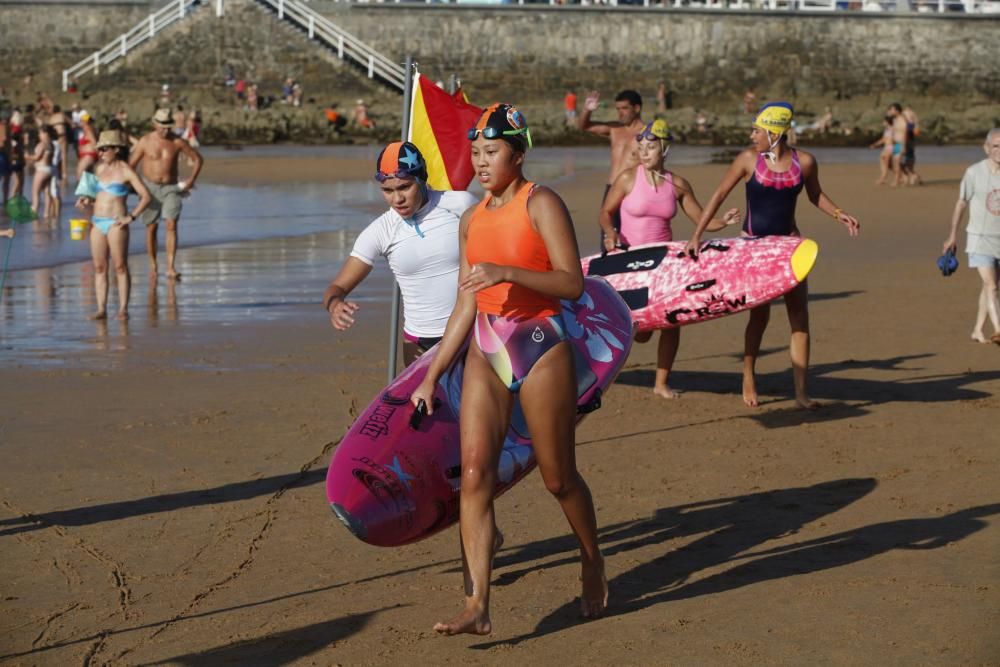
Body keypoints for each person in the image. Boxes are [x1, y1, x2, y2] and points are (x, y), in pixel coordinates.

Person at [411, 103, 608, 636]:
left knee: (557, 478)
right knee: (473, 477)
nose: (480, 161)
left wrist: (504, 270)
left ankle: (592, 559)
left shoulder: (540, 202)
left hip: (540, 345)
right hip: (484, 350)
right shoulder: (471, 218)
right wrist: (431, 375)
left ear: (517, 153)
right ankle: (478, 603)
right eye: (475, 152)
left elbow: (572, 283)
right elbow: (464, 304)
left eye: (491, 151)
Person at [683, 102, 860, 410]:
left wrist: (839, 214)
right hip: (755, 248)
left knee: (800, 318)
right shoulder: (748, 160)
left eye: (757, 130)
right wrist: (697, 235)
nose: (752, 135)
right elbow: (718, 195)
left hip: (788, 246)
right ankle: (748, 375)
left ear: (774, 134)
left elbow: (815, 194)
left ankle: (801, 392)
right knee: (759, 316)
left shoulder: (804, 162)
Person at [599, 119, 740, 398]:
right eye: (641, 147)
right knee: (639, 330)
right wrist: (610, 232)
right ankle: (610, 371)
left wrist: (722, 222)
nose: (644, 152)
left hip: (665, 263)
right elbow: (605, 213)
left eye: (650, 147)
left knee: (673, 321)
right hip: (632, 261)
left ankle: (661, 383)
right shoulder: (627, 178)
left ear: (664, 149)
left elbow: (701, 219)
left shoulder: (677, 184)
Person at [321, 141, 478, 366]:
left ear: (421, 179)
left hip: (472, 331)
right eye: (388, 190)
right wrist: (335, 304)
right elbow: (336, 288)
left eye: (404, 187)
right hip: (420, 342)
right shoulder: (380, 231)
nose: (397, 199)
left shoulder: (460, 204)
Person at [75, 130, 151, 320]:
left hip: (116, 223)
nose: (100, 153)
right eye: (99, 149)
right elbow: (91, 194)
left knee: (120, 266)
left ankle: (123, 309)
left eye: (104, 149)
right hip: (97, 222)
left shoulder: (126, 170)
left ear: (116, 149)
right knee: (99, 268)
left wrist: (131, 217)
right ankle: (101, 309)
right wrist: (85, 200)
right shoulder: (98, 169)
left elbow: (146, 196)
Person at [128, 108, 204, 280]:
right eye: (162, 126)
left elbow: (198, 159)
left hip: (171, 188)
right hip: (149, 188)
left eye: (169, 126)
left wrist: (191, 180)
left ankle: (170, 267)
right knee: (152, 228)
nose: (166, 130)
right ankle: (153, 265)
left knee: (171, 224)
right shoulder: (145, 141)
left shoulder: (178, 142)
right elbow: (130, 166)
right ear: (154, 124)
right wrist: (135, 186)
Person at [942, 128, 1000, 345]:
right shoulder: (974, 173)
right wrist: (952, 236)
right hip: (979, 238)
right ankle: (998, 329)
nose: (999, 150)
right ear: (986, 148)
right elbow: (961, 203)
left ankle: (977, 330)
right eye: (995, 145)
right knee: (991, 285)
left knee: (991, 286)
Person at [578, 89, 644, 246]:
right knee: (608, 233)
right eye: (618, 109)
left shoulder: (646, 133)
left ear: (637, 108)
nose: (620, 113)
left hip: (633, 189)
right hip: (612, 188)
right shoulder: (615, 129)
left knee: (632, 235)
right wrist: (587, 109)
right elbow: (583, 126)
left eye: (625, 108)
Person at [26, 123, 53, 218]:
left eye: (40, 133)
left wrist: (27, 157)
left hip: (41, 170)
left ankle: (34, 212)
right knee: (47, 192)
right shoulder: (51, 143)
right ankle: (46, 214)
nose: (39, 135)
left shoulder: (43, 144)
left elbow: (37, 157)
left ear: (45, 133)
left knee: (35, 192)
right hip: (49, 169)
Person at [886, 103, 908, 187]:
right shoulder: (895, 119)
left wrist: (904, 145)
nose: (890, 111)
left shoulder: (902, 119)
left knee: (897, 162)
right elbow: (887, 118)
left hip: (901, 143)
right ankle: (905, 176)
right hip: (896, 144)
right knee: (892, 162)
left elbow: (905, 132)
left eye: (892, 109)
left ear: (897, 110)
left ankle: (897, 180)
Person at [901, 104, 923, 186]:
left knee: (906, 159)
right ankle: (911, 176)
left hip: (908, 138)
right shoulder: (911, 114)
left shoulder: (909, 115)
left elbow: (916, 124)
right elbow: (916, 123)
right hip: (907, 138)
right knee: (905, 160)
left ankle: (912, 176)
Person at [869, 116, 894, 185]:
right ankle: (900, 176)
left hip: (891, 147)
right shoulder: (886, 130)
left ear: (888, 122)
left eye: (884, 121)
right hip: (886, 148)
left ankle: (882, 179)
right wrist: (875, 145)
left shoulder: (893, 129)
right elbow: (883, 139)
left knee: (886, 163)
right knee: (888, 164)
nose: (883, 123)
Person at [76, 111, 98, 181]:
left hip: (88, 156)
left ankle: (83, 192)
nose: (80, 122)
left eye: (81, 121)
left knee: (80, 176)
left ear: (84, 122)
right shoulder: (89, 129)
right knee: (88, 180)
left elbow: (94, 143)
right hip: (89, 156)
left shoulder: (88, 129)